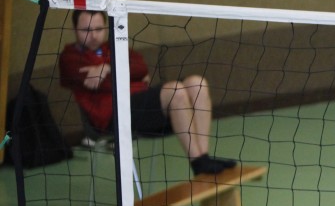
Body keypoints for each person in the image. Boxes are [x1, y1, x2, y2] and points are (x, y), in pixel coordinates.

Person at [59, 9, 237, 176]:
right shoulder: (69, 58)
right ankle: (198, 163)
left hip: (141, 105)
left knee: (197, 84)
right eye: (86, 30)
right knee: (175, 91)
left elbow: (140, 67)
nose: (93, 35)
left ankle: (203, 156)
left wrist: (107, 68)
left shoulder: (113, 47)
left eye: (98, 29)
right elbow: (113, 83)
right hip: (113, 116)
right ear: (75, 30)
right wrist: (129, 75)